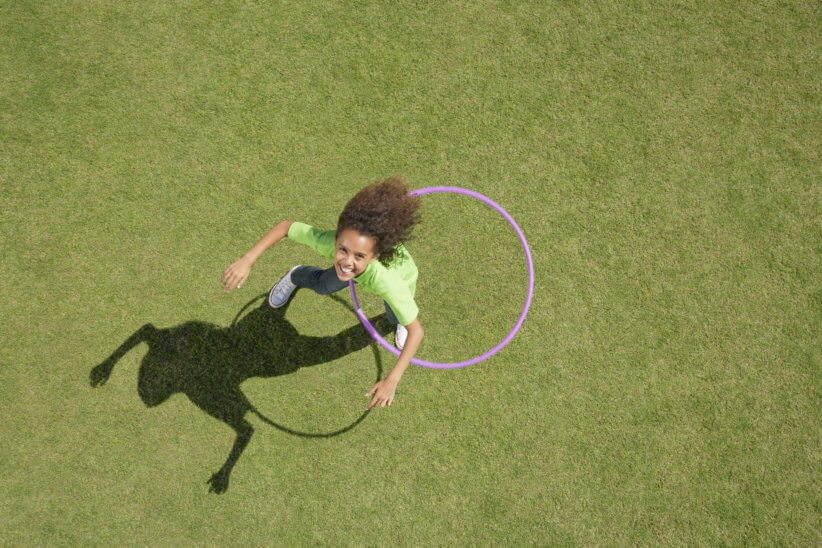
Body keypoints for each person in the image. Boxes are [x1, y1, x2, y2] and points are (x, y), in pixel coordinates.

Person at [221, 175, 424, 410]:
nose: (347, 261)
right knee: (322, 285)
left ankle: (397, 318)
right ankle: (296, 275)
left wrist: (392, 380)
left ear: (374, 256)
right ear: (336, 240)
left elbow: (416, 331)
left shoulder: (389, 283)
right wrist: (248, 259)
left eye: (359, 256)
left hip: (399, 279)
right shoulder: (329, 243)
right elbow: (286, 227)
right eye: (343, 250)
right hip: (366, 274)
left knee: (396, 318)